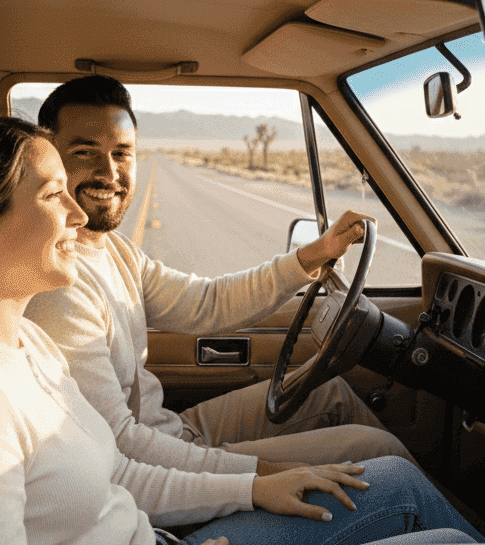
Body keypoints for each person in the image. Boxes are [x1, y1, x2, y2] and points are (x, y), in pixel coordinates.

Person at [0, 111, 484, 545]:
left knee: (396, 491)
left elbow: (120, 472)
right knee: (436, 533)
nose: (74, 211)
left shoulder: (21, 344)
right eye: (50, 195)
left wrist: (254, 489)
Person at [26, 75, 414, 483]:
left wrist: (315, 253)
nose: (109, 172)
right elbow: (119, 447)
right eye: (85, 152)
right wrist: (267, 476)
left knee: (328, 393)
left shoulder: (115, 251)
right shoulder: (57, 284)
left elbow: (209, 302)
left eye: (122, 153)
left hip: (169, 431)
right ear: (48, 159)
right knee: (376, 451)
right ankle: (476, 543)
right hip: (153, 467)